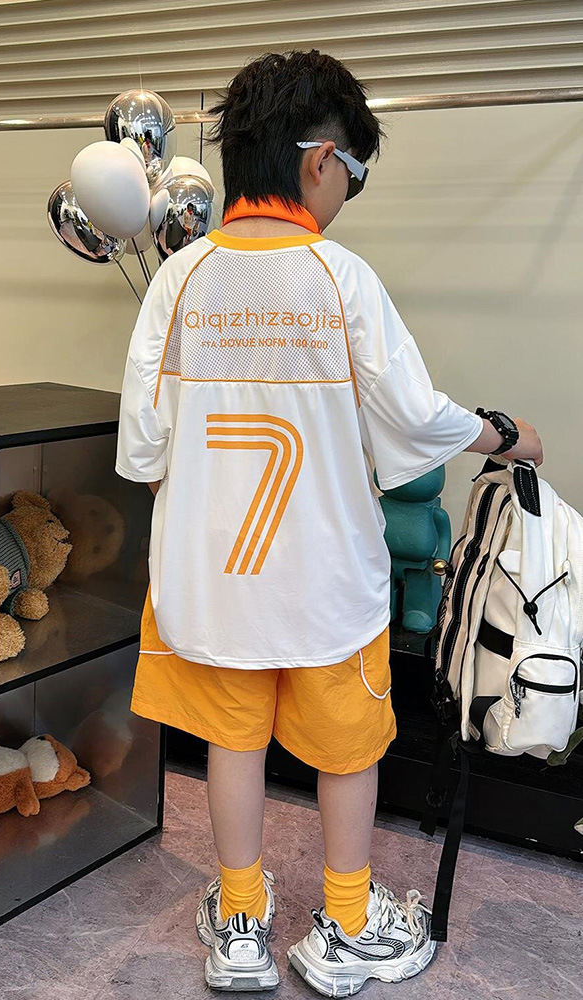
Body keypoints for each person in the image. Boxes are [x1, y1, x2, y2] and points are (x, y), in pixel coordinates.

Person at [115, 50, 543, 996]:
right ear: (320, 161)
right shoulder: (341, 279)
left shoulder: (178, 281)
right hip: (326, 588)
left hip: (215, 588)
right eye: (354, 172)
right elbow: (416, 420)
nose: (349, 191)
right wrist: (508, 435)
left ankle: (240, 924)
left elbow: (144, 450)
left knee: (233, 743)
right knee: (350, 749)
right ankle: (346, 924)